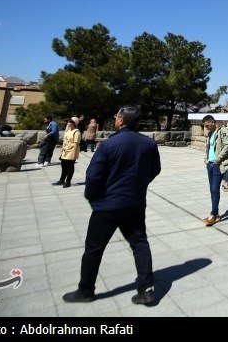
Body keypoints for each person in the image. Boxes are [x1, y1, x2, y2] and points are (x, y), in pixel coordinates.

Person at [62, 105, 161, 306]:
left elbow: (93, 175)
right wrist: (138, 185)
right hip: (134, 204)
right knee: (140, 244)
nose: (115, 119)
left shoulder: (109, 144)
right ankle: (146, 290)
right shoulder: (149, 144)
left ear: (121, 121)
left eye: (116, 116)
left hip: (107, 205)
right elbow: (155, 169)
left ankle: (86, 290)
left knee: (93, 249)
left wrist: (92, 197)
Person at [201, 115, 228, 226]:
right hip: (210, 164)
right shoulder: (210, 133)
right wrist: (206, 159)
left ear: (213, 122)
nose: (206, 128)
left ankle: (213, 214)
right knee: (212, 189)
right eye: (204, 126)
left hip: (217, 165)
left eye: (207, 125)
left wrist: (219, 159)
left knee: (215, 189)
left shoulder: (223, 131)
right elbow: (209, 148)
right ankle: (216, 213)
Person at [53, 118, 81, 188]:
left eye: (70, 122)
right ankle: (62, 180)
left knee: (69, 167)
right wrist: (61, 151)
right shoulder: (68, 131)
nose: (68, 123)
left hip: (71, 151)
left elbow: (76, 144)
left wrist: (74, 154)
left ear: (74, 123)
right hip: (65, 151)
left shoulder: (76, 132)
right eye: (68, 122)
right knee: (63, 166)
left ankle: (68, 181)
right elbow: (64, 142)